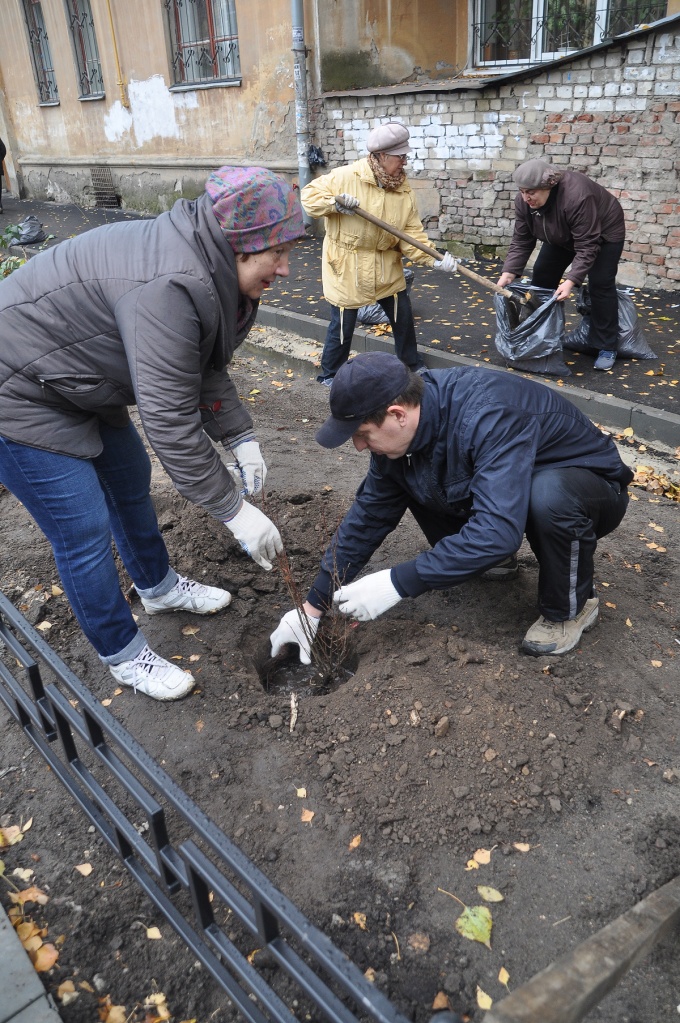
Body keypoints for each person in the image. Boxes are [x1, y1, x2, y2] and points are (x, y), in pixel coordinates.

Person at [0, 166, 306, 701]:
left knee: (129, 475)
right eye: (276, 253)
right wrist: (233, 510)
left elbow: (196, 359)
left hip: (74, 375)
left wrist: (239, 436)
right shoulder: (167, 286)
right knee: (82, 525)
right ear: (239, 245)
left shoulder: (207, 268)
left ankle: (158, 588)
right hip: (16, 388)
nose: (285, 268)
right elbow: (170, 422)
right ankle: (122, 653)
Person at [270, 352, 632, 662]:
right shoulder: (404, 436)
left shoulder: (488, 415)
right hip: (512, 482)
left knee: (548, 497)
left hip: (589, 488)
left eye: (362, 434)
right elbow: (368, 517)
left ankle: (571, 608)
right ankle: (489, 560)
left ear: (397, 414)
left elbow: (498, 534)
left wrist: (397, 583)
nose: (360, 447)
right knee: (417, 475)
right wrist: (312, 608)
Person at [300, 121, 456, 386]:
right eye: (400, 156)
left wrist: (435, 259)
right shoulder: (346, 176)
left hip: (385, 263)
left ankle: (411, 364)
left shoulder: (402, 189)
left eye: (405, 155)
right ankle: (331, 374)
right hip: (347, 264)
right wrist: (334, 204)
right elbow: (309, 197)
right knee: (343, 324)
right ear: (382, 156)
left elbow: (411, 235)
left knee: (402, 316)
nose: (404, 161)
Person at [498, 159, 626, 373]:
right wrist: (509, 271)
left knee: (600, 283)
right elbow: (522, 239)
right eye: (522, 192)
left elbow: (587, 245)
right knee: (542, 275)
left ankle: (606, 346)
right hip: (562, 233)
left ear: (549, 186)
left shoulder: (577, 196)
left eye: (531, 192)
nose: (526, 198)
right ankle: (541, 338)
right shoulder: (524, 202)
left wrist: (571, 280)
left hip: (603, 234)